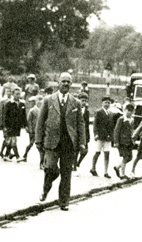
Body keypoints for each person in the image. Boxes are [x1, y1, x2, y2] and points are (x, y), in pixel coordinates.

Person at [35, 72, 87, 210]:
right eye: (63, 81)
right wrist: (38, 140)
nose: (66, 84)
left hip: (69, 142)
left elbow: (81, 124)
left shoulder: (76, 102)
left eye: (68, 82)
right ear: (58, 83)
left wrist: (82, 142)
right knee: (50, 168)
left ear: (71, 84)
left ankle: (64, 202)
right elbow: (40, 122)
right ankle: (46, 189)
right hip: (51, 142)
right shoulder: (48, 100)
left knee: (66, 173)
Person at [90, 96, 114, 178]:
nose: (107, 104)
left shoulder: (111, 114)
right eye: (105, 102)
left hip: (107, 137)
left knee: (107, 153)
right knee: (97, 152)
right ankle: (93, 168)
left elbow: (111, 126)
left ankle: (106, 172)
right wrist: (96, 134)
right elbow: (95, 124)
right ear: (102, 103)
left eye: (108, 103)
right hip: (100, 136)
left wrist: (111, 136)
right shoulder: (99, 112)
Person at [113, 102, 136, 179]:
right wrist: (116, 142)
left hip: (129, 142)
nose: (129, 112)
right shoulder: (121, 119)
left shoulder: (132, 120)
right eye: (128, 110)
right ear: (125, 110)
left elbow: (131, 130)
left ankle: (117, 167)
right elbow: (116, 130)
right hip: (122, 141)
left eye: (131, 111)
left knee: (130, 157)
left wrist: (133, 139)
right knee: (125, 157)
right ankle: (122, 174)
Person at [3, 86, 26, 161]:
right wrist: (5, 126)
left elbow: (24, 115)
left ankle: (6, 155)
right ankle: (17, 156)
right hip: (10, 125)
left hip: (17, 125)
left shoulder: (22, 104)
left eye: (19, 94)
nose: (18, 96)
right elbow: (5, 115)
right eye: (16, 94)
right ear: (13, 94)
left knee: (10, 141)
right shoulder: (9, 103)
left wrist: (25, 125)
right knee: (13, 140)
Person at [21, 95, 43, 164]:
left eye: (41, 100)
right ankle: (25, 155)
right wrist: (30, 130)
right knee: (31, 144)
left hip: (40, 131)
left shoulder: (43, 110)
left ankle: (41, 162)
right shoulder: (33, 110)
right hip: (33, 131)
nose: (40, 102)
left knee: (40, 147)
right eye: (39, 100)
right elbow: (29, 121)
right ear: (36, 102)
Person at [74, 93, 91, 172]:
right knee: (76, 150)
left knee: (85, 150)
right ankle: (74, 166)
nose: (84, 102)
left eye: (85, 101)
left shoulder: (87, 112)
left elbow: (87, 125)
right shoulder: (75, 110)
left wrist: (88, 136)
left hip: (84, 134)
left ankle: (78, 163)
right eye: (82, 100)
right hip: (76, 133)